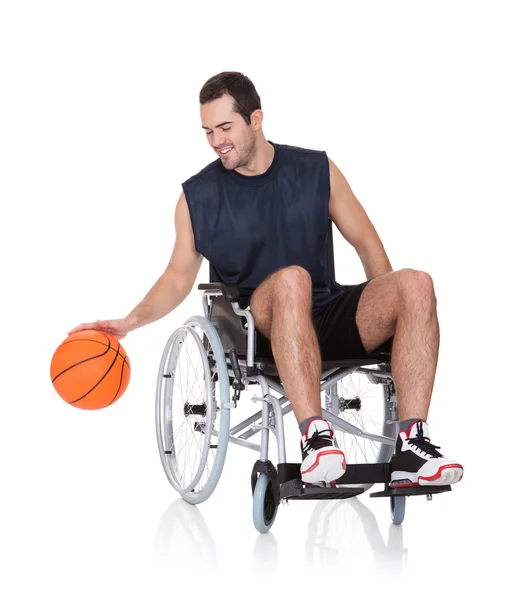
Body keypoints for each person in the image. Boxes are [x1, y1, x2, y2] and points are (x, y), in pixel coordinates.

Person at [69, 71, 463, 489]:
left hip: (325, 315)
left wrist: (393, 325)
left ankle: (412, 446)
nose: (217, 139)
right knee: (293, 279)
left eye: (225, 127)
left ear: (256, 118)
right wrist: (129, 322)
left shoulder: (316, 169)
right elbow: (176, 277)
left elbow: (366, 242)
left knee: (416, 283)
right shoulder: (197, 197)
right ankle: (316, 439)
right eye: (208, 131)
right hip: (256, 327)